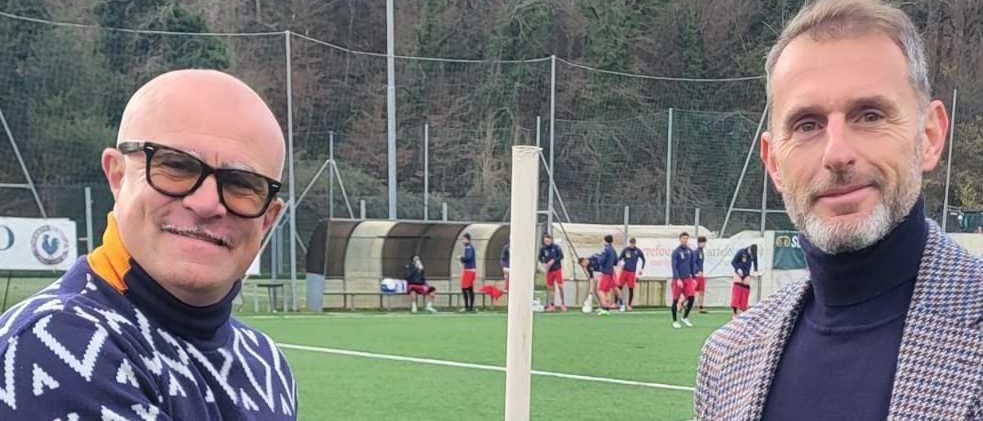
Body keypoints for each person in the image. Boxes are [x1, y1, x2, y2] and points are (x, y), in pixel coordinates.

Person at [696, 1, 982, 420]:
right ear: (774, 162)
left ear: (930, 136)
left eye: (869, 115)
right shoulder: (727, 358)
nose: (837, 154)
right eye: (807, 124)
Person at [0, 70, 297, 419]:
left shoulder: (264, 360)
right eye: (175, 166)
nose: (205, 203)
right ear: (117, 175)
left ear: (267, 219)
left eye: (242, 184)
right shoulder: (52, 341)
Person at [670, 232, 696, 328]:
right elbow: (674, 266)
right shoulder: (676, 252)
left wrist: (693, 278)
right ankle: (675, 321)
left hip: (688, 279)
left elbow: (692, 265)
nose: (685, 240)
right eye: (683, 238)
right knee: (675, 300)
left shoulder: (690, 251)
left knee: (691, 298)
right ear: (680, 239)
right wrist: (677, 279)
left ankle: (685, 317)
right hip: (678, 280)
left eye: (686, 238)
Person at [538, 234, 567, 311]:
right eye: (545, 241)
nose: (547, 242)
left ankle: (563, 303)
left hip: (557, 269)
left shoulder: (556, 247)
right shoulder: (543, 249)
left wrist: (553, 260)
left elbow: (561, 256)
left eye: (548, 240)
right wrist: (544, 262)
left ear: (551, 240)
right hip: (549, 271)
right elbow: (540, 258)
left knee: (560, 286)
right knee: (550, 288)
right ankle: (552, 305)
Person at [729, 244, 758, 318]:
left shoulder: (753, 254)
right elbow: (733, 262)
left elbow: (755, 262)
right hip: (738, 273)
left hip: (746, 274)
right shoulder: (741, 252)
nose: (751, 255)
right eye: (751, 253)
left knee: (745, 291)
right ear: (749, 249)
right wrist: (738, 269)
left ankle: (743, 310)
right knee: (737, 291)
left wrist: (755, 271)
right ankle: (735, 313)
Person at [617, 237, 646, 311]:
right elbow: (619, 258)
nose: (632, 245)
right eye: (631, 243)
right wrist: (620, 265)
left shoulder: (638, 251)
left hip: (632, 273)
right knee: (619, 287)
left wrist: (641, 269)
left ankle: (629, 305)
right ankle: (618, 303)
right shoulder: (625, 250)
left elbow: (643, 259)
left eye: (633, 243)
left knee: (631, 289)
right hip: (624, 271)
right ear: (629, 243)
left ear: (635, 243)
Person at [596, 235, 621, 311]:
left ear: (605, 241)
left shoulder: (605, 250)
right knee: (607, 290)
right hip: (611, 273)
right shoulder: (613, 250)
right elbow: (616, 261)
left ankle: (604, 307)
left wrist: (599, 257)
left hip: (605, 272)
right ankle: (608, 306)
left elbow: (601, 261)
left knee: (600, 290)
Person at [458, 232, 477, 312]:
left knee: (464, 287)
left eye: (463, 239)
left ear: (467, 239)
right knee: (469, 288)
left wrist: (461, 258)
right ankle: (470, 307)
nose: (462, 241)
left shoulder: (468, 247)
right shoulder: (469, 247)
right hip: (471, 270)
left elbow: (468, 258)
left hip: (469, 270)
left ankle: (467, 307)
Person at [694, 236, 708, 313]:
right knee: (692, 291)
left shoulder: (701, 251)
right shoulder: (696, 251)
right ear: (699, 243)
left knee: (702, 291)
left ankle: (701, 307)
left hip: (701, 274)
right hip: (696, 275)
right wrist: (697, 271)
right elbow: (693, 262)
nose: (705, 244)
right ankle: (683, 304)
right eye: (703, 242)